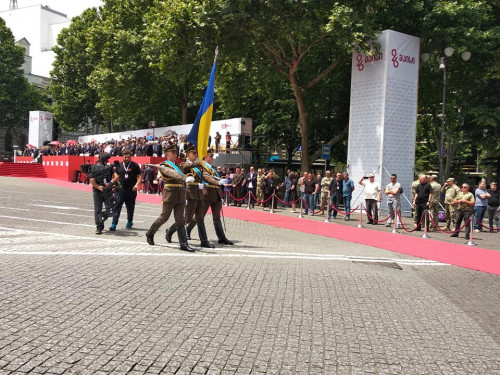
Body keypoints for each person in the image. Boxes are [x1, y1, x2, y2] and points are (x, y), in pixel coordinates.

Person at [165, 143, 217, 248]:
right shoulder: (184, 165)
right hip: (190, 194)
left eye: (196, 153)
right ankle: (170, 231)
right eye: (193, 153)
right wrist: (199, 163)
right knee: (187, 219)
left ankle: (204, 241)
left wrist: (202, 184)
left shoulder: (198, 166)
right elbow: (188, 167)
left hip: (199, 194)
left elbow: (202, 177)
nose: (196, 155)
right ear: (188, 154)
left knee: (200, 218)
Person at [146, 144, 194, 251]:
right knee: (164, 217)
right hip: (170, 194)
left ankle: (183, 244)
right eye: (173, 153)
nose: (175, 154)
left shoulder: (178, 165)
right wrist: (184, 178)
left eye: (176, 152)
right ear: (167, 154)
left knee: (180, 220)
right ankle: (150, 233)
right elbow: (171, 174)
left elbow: (188, 168)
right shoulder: (163, 165)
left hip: (180, 194)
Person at [109, 149, 142, 231]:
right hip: (120, 190)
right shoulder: (118, 166)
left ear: (130, 157)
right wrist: (112, 184)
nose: (126, 159)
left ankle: (129, 222)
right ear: (122, 157)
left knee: (130, 207)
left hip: (131, 190)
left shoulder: (135, 165)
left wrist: (136, 185)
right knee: (117, 206)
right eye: (125, 157)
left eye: (128, 157)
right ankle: (114, 223)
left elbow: (140, 176)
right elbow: (115, 176)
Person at [88, 153, 114, 234]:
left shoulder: (109, 167)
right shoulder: (94, 167)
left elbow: (116, 176)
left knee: (110, 209)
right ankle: (99, 227)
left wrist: (110, 183)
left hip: (108, 190)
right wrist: (98, 187)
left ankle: (102, 219)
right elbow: (91, 180)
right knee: (98, 209)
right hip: (97, 191)